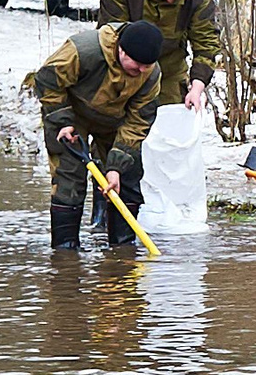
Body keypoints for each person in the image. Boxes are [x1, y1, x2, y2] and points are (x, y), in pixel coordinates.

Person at [32, 19, 164, 250]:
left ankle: (122, 250)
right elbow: (47, 80)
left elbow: (137, 122)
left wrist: (115, 167)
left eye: (147, 65)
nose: (142, 71)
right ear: (121, 50)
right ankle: (65, 252)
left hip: (115, 121)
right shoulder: (83, 51)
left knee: (127, 177)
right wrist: (62, 120)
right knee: (69, 179)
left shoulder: (151, 75)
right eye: (137, 64)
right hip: (71, 115)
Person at [97, 0, 222, 114]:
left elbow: (206, 39)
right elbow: (109, 35)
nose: (170, 1)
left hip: (170, 70)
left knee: (170, 132)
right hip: (125, 68)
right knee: (121, 129)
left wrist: (197, 85)